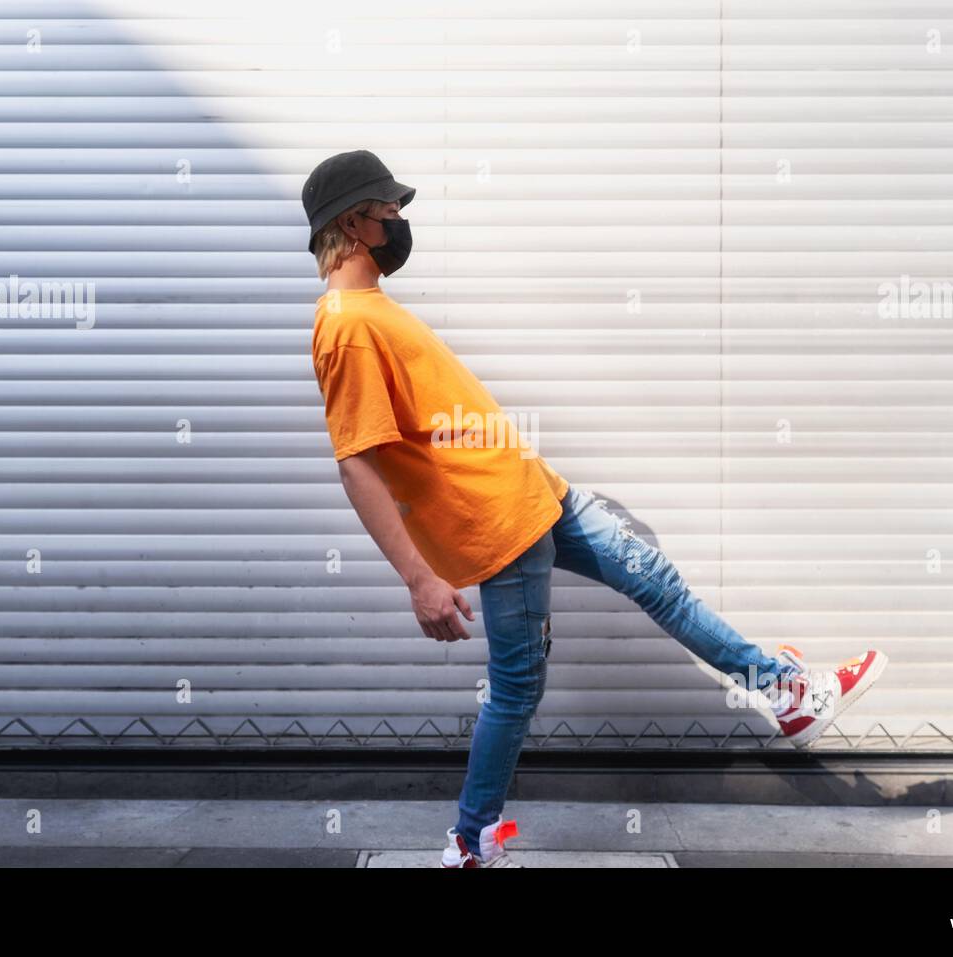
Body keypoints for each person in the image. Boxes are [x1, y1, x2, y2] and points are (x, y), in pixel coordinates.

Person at [300, 150, 888, 869]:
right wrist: (418, 577)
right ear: (353, 223)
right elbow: (357, 459)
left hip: (537, 496)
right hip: (500, 524)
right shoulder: (346, 322)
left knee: (654, 578)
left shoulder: (373, 309)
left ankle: (785, 693)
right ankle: (471, 840)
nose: (400, 220)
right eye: (389, 209)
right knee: (519, 685)